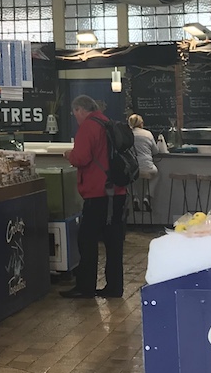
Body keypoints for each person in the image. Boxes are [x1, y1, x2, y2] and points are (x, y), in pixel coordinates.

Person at [61, 96, 128, 300]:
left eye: (75, 113)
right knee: (113, 242)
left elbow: (81, 158)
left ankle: (85, 286)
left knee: (87, 240)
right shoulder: (106, 122)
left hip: (98, 193)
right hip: (117, 191)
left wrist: (69, 155)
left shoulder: (88, 126)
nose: (75, 117)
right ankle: (114, 287)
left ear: (80, 110)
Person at [127, 114, 164, 181]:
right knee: (156, 174)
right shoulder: (148, 134)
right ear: (141, 123)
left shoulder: (127, 134)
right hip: (147, 167)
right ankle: (150, 188)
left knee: (133, 180)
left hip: (132, 168)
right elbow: (155, 151)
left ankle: (136, 189)